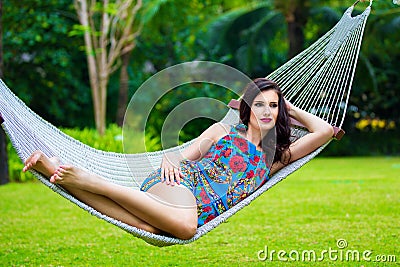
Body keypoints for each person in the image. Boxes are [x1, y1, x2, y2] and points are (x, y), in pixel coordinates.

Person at [22, 78, 333, 240]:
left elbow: (325, 130)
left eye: (273, 107)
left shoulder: (277, 156)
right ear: (246, 109)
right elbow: (184, 155)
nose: (267, 111)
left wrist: (288, 106)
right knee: (185, 228)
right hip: (177, 184)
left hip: (189, 210)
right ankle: (94, 181)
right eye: (259, 104)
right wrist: (171, 160)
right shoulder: (222, 130)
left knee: (152, 229)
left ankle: (53, 170)